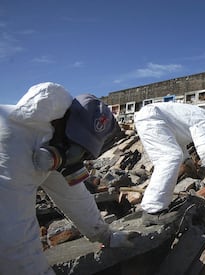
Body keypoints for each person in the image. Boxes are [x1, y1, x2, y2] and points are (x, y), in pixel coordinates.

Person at [0, 82, 139, 275]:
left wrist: (107, 236)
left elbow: (75, 198)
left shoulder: (53, 139)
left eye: (83, 150)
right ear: (61, 120)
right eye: (75, 143)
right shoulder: (13, 145)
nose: (73, 154)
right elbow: (13, 241)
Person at [134, 102, 205, 226]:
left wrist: (187, 159)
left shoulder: (199, 115)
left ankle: (156, 205)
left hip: (151, 118)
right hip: (153, 119)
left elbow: (176, 139)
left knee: (171, 157)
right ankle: (152, 211)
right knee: (170, 158)